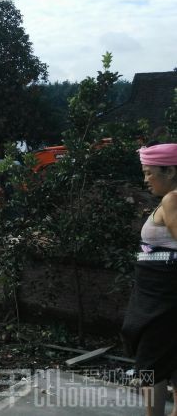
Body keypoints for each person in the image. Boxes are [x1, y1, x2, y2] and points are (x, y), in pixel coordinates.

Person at [121, 142, 177, 416]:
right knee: (171, 361)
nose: (145, 180)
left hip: (162, 302)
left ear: (170, 171)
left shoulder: (172, 200)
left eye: (149, 173)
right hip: (159, 298)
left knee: (150, 364)